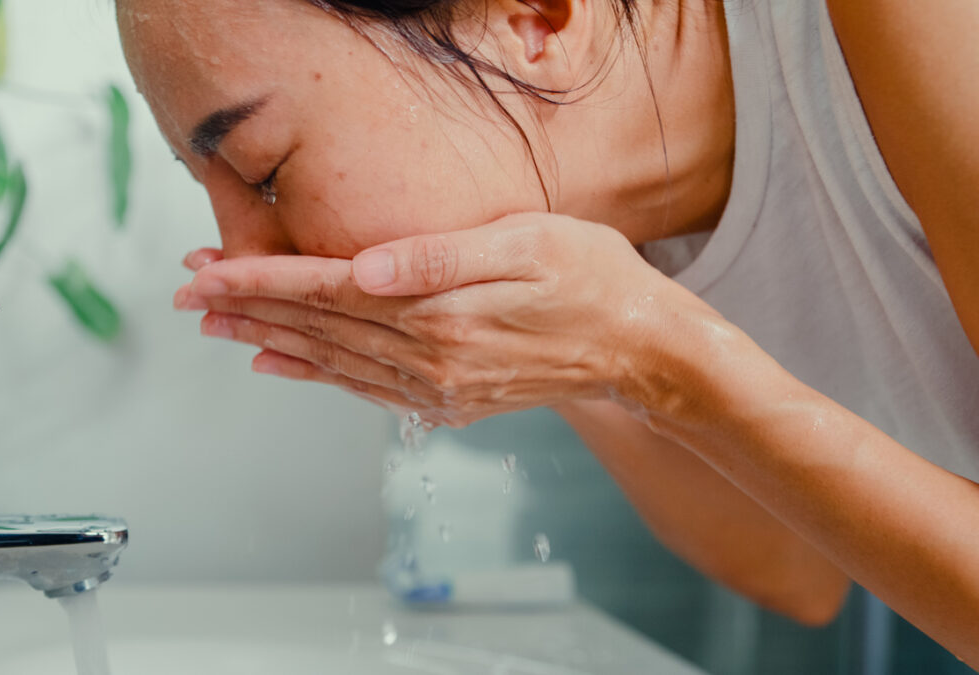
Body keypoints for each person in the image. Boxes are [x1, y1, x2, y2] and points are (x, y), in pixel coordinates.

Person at [115, 0, 979, 663]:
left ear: (534, 18)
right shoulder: (603, 214)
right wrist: (563, 355)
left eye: (262, 169)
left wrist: (647, 355)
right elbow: (797, 567)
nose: (242, 254)